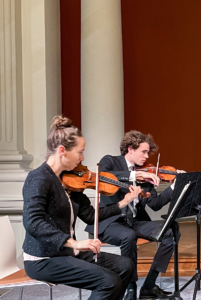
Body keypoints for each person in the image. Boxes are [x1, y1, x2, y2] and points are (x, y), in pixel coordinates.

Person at [23, 116, 141, 300]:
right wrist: (75, 243)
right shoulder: (39, 178)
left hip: (68, 252)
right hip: (44, 259)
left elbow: (90, 216)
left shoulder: (69, 181)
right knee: (108, 281)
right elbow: (33, 223)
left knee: (126, 265)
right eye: (80, 152)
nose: (83, 157)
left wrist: (123, 202)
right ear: (62, 151)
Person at [85, 130, 185, 300]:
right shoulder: (111, 161)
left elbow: (154, 204)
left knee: (171, 232)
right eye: (143, 152)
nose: (146, 156)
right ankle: (130, 287)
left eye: (148, 152)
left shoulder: (146, 174)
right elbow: (102, 177)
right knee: (128, 236)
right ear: (130, 149)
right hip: (111, 221)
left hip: (135, 221)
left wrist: (174, 187)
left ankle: (149, 286)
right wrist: (135, 175)